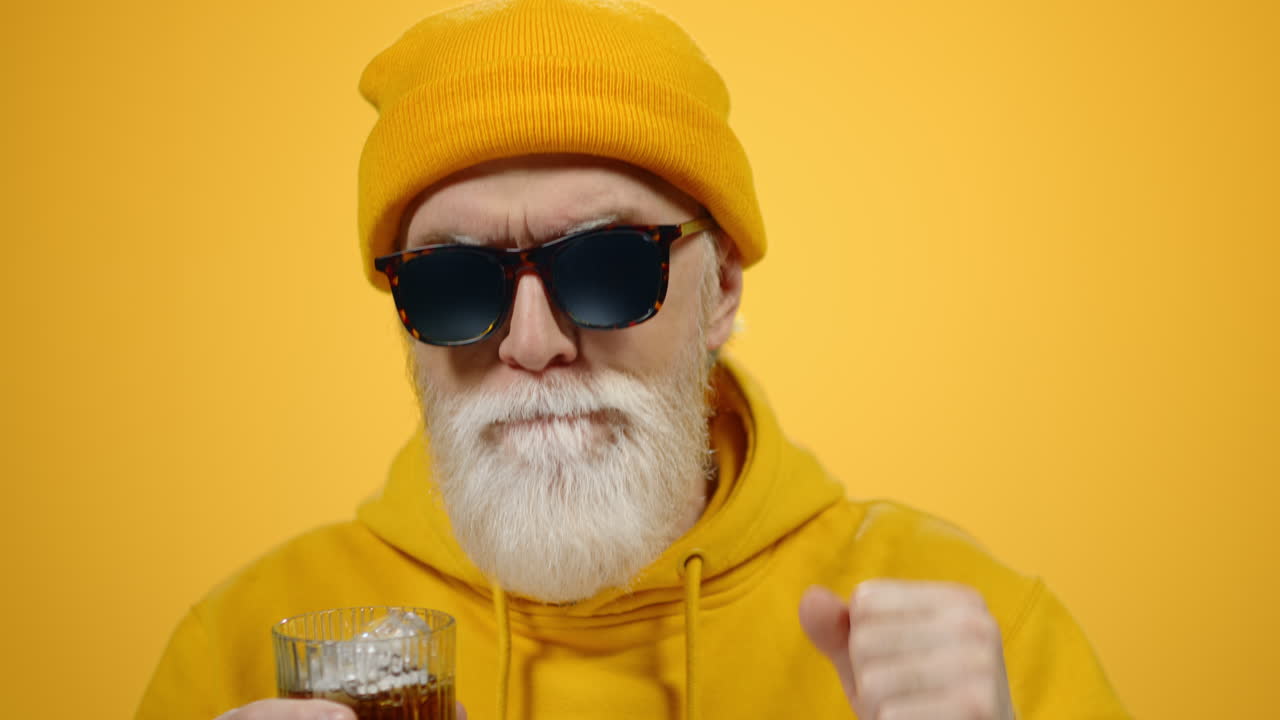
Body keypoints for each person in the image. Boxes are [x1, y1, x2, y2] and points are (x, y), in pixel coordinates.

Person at [137, 1, 1130, 718]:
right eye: (453, 286)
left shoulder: (972, 638)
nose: (531, 344)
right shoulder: (244, 651)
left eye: (606, 267)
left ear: (722, 292)